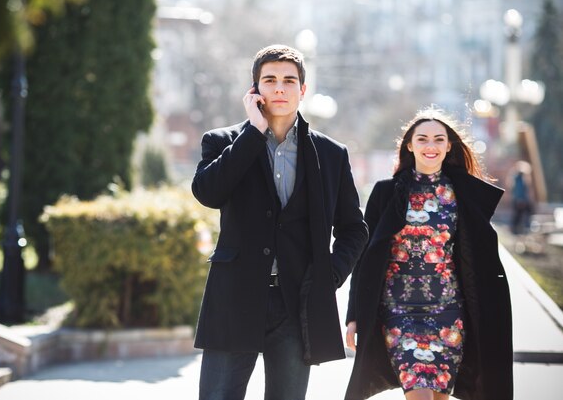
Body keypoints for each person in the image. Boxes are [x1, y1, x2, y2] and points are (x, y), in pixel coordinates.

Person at [191, 44, 369, 400]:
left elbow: (354, 228)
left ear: (303, 90)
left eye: (289, 80)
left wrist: (327, 275)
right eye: (269, 80)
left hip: (296, 304)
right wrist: (253, 134)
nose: (280, 88)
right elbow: (208, 193)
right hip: (234, 297)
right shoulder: (222, 142)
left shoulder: (331, 154)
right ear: (255, 90)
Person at [344, 107, 513, 400]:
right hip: (398, 313)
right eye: (422, 139)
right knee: (419, 395)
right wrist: (354, 316)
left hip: (448, 314)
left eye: (438, 139)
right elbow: (364, 259)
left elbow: (479, 257)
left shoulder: (462, 196)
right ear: (410, 144)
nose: (430, 146)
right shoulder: (386, 193)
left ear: (449, 146)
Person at [509, 160, 533, 235]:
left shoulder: (517, 177)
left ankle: (518, 229)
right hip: (519, 200)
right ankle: (516, 229)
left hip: (519, 199)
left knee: (521, 214)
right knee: (519, 214)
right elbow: (518, 190)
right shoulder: (519, 178)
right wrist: (520, 199)